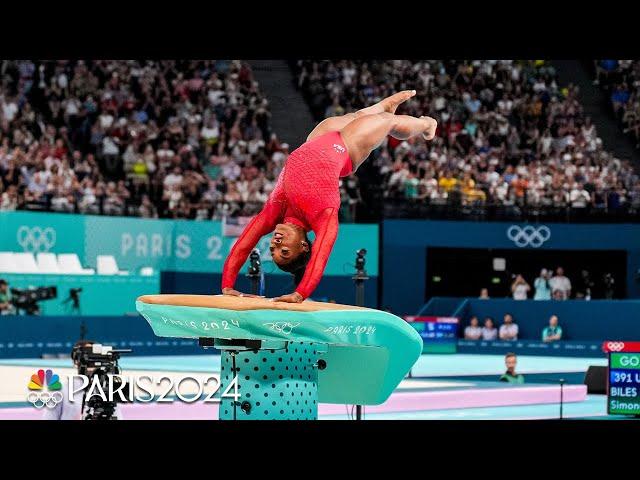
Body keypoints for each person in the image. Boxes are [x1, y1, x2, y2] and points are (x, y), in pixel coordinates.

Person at [221, 91, 437, 302]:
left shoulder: (275, 211)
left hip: (314, 142)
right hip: (346, 148)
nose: (276, 243)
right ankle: (427, 124)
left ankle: (383, 105)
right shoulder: (324, 216)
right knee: (387, 121)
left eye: (273, 248)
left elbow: (243, 245)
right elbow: (320, 258)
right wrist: (300, 293)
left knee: (356, 117)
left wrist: (227, 285)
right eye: (284, 251)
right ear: (304, 246)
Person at [42, 339, 123, 420]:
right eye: (88, 357)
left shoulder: (106, 390)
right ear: (76, 362)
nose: (93, 362)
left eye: (96, 356)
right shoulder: (61, 391)